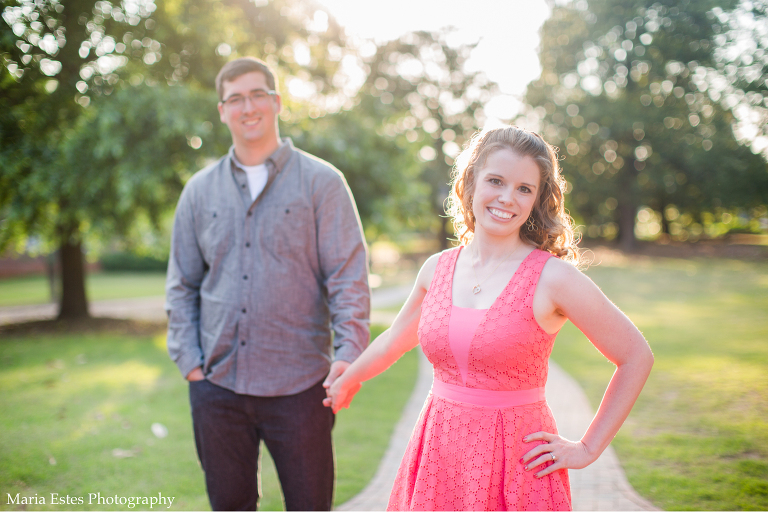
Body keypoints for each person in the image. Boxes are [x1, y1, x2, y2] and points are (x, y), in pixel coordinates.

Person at [324, 125, 654, 511]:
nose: (507, 198)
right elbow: (393, 340)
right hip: (439, 455)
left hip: (517, 465)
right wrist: (348, 378)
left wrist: (587, 447)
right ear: (470, 184)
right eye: (496, 181)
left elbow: (635, 356)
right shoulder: (437, 269)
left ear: (537, 200)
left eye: (524, 189)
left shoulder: (553, 278)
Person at [165, 57, 370, 511]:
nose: (248, 106)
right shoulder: (199, 191)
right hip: (217, 386)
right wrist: (191, 364)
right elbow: (181, 283)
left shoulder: (323, 183)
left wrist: (348, 355)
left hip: (300, 389)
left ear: (277, 102)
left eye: (258, 94)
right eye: (235, 98)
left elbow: (348, 279)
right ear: (222, 111)